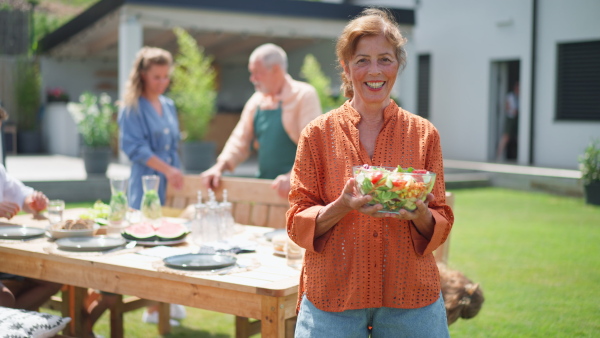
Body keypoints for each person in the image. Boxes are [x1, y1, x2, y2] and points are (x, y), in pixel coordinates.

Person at [286, 8, 454, 337]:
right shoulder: (316, 134)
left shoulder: (424, 135)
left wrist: (419, 214)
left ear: (398, 65)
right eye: (362, 60)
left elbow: (441, 216)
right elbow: (295, 221)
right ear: (347, 68)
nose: (374, 70)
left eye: (385, 59)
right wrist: (341, 206)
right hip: (333, 295)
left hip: (409, 295)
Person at [83, 47, 184, 336]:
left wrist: (178, 175)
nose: (162, 82)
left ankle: (158, 305)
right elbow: (135, 149)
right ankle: (142, 308)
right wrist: (168, 170)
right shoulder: (131, 107)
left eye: (166, 76)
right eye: (156, 77)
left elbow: (173, 146)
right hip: (147, 185)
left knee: (167, 244)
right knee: (139, 249)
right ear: (142, 75)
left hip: (169, 183)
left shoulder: (169, 105)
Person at [200, 43, 322, 198]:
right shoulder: (257, 100)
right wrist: (218, 168)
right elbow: (240, 140)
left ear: (276, 69)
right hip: (266, 187)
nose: (252, 79)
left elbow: (314, 146)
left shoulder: (303, 95)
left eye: (257, 73)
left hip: (300, 190)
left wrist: (293, 176)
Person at [0, 108, 59, 310]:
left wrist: (32, 201)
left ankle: (17, 326)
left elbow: (18, 193)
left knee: (53, 279)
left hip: (5, 257)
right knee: (5, 299)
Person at [496, 81, 519, 161]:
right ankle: (498, 156)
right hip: (510, 118)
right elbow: (506, 107)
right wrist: (513, 111)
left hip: (517, 119)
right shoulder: (510, 96)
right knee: (506, 136)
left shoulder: (521, 97)